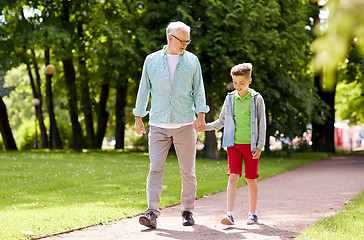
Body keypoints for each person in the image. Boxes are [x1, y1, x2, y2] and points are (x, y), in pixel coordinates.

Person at [133, 21, 209, 229]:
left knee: (188, 171)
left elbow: (199, 89)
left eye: (188, 40)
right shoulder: (151, 60)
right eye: (182, 40)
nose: (185, 44)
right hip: (158, 124)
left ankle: (187, 210)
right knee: (155, 168)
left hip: (185, 124)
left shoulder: (193, 61)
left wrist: (201, 115)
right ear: (170, 38)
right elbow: (143, 90)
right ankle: (151, 212)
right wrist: (139, 117)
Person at [203, 63, 266, 225]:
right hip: (233, 145)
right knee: (233, 177)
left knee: (251, 179)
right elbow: (222, 120)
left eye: (241, 83)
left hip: (251, 147)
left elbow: (262, 124)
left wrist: (260, 146)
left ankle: (253, 213)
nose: (238, 86)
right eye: (235, 83)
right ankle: (229, 214)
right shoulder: (230, 98)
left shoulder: (257, 99)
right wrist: (206, 127)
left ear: (249, 81)